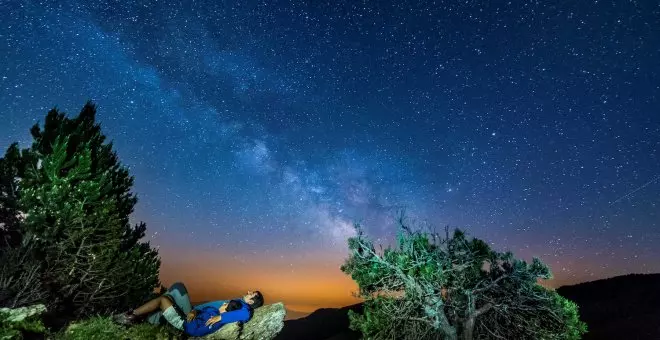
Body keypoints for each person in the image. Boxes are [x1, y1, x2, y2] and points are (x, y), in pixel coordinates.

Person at [113, 282, 264, 335]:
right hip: (194, 313)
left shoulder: (244, 309)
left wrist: (221, 317)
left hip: (189, 320)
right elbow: (210, 308)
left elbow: (245, 314)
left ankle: (133, 317)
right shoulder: (238, 302)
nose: (249, 292)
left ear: (252, 302)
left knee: (172, 293)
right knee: (171, 293)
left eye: (252, 294)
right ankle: (147, 318)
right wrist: (195, 310)